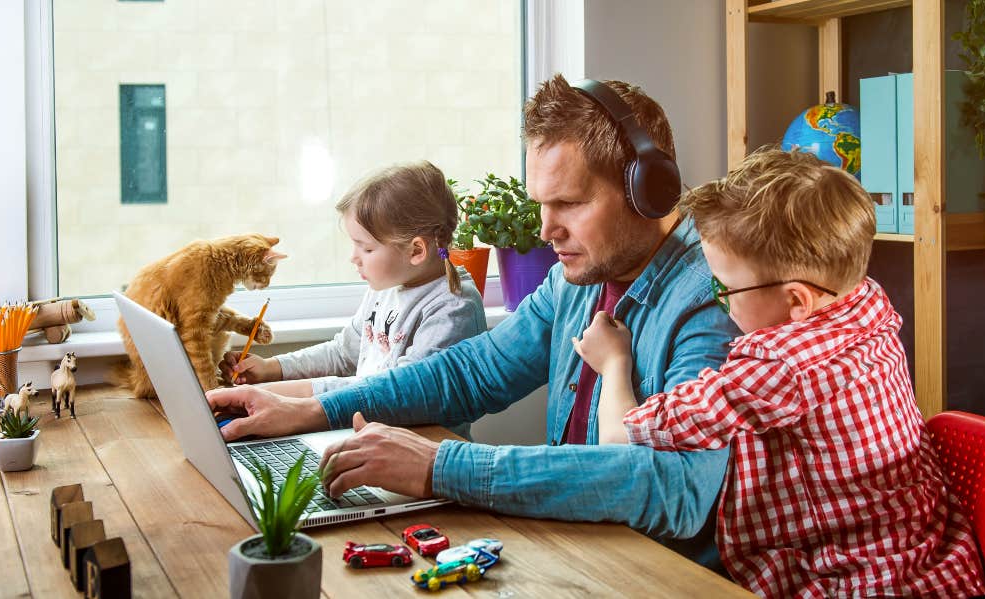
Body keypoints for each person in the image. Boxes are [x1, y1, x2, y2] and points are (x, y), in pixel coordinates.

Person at [205, 74, 740, 568]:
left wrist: (441, 466)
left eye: (569, 203)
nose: (546, 229)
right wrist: (309, 410)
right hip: (579, 548)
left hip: (659, 574)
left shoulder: (716, 298)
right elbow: (471, 372)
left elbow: (677, 488)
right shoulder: (576, 280)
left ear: (649, 189)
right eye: (539, 204)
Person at [575, 148, 985, 597]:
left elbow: (618, 440)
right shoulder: (866, 301)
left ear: (796, 302)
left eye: (724, 287)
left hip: (862, 584)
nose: (719, 301)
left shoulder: (781, 368)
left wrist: (614, 365)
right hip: (937, 565)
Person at [219, 161, 486, 436]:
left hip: (419, 453)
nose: (353, 257)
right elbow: (343, 353)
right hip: (366, 436)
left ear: (416, 250)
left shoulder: (452, 308)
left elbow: (394, 392)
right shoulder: (387, 286)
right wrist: (272, 369)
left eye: (366, 248)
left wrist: (280, 395)